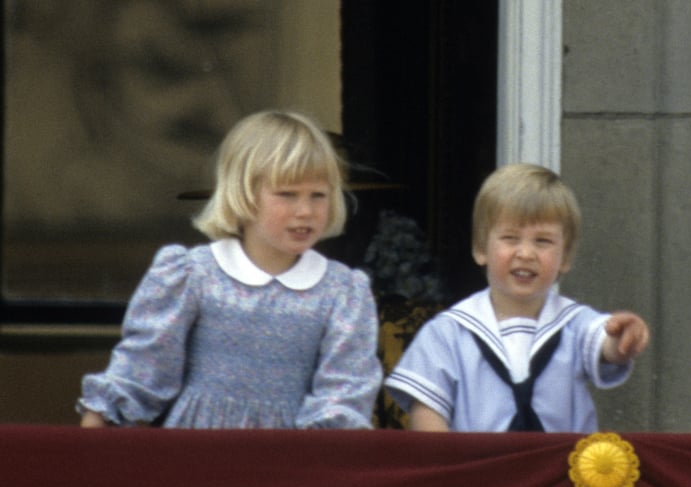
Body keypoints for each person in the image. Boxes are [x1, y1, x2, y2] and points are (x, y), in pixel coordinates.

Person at [77, 110, 382, 429]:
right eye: (287, 195)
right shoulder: (192, 276)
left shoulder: (342, 291)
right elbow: (142, 370)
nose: (305, 211)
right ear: (244, 194)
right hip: (196, 457)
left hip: (291, 463)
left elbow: (344, 391)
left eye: (318, 196)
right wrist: (98, 420)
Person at [385, 163, 650, 432]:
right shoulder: (449, 333)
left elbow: (604, 344)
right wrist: (446, 468)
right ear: (480, 249)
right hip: (481, 471)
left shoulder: (574, 324)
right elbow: (427, 413)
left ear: (565, 257)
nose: (526, 253)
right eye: (510, 238)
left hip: (562, 470)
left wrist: (621, 339)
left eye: (542, 241)